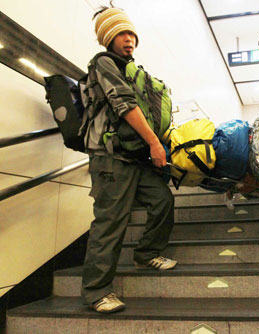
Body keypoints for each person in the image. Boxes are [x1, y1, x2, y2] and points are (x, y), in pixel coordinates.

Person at [81, 7, 177, 314]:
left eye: (132, 34)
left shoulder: (132, 69)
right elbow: (123, 104)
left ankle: (146, 253)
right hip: (110, 159)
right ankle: (96, 291)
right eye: (122, 34)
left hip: (134, 158)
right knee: (110, 223)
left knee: (162, 200)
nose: (129, 40)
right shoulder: (104, 63)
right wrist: (153, 143)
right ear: (108, 37)